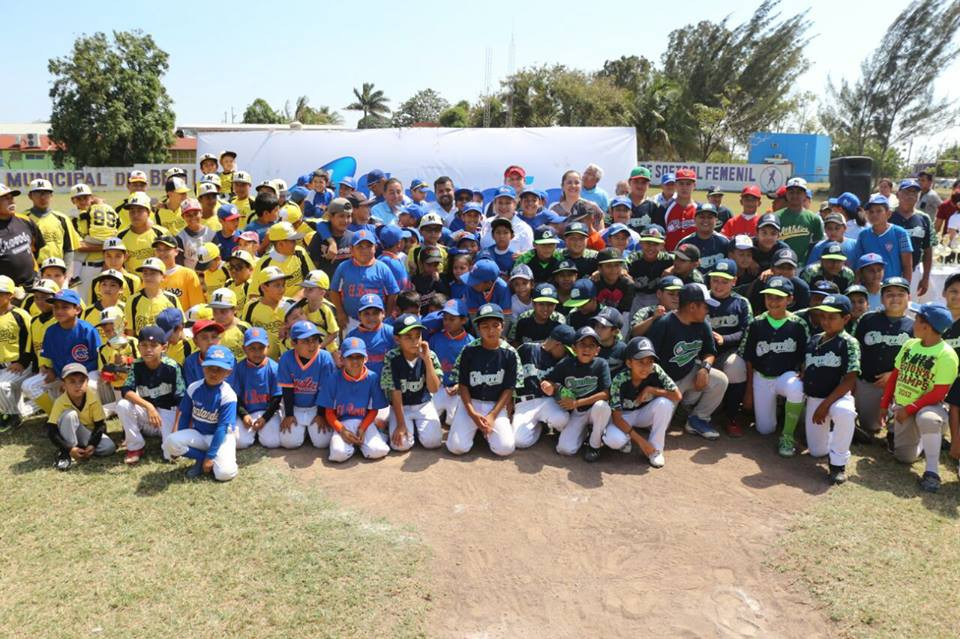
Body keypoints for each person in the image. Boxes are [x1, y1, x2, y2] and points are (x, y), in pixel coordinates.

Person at [881, 303, 959, 493]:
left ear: (927, 326)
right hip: (904, 405)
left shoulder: (946, 354)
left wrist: (909, 409)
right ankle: (926, 441)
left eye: (916, 319)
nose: (913, 322)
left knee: (928, 419)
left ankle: (932, 472)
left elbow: (938, 393)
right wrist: (884, 404)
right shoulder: (910, 344)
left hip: (930, 406)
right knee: (904, 458)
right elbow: (895, 375)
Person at [647, 283, 729, 440]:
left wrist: (705, 369)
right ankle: (675, 411)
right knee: (654, 426)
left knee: (720, 380)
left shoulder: (703, 324)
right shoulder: (664, 323)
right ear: (692, 307)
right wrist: (657, 389)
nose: (708, 310)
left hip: (688, 372)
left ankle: (697, 419)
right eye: (705, 306)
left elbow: (709, 352)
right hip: (663, 381)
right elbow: (647, 360)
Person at [739, 276, 809, 455]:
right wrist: (749, 391)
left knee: (797, 387)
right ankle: (777, 412)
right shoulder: (756, 323)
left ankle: (787, 436)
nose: (773, 301)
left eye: (779, 297)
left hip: (786, 376)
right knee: (765, 429)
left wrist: (803, 370)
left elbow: (806, 354)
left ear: (790, 299)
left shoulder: (799, 324)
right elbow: (749, 358)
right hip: (762, 377)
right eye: (769, 296)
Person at [798, 294, 860, 484]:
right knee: (817, 452)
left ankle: (838, 464)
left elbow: (850, 380)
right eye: (823, 316)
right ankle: (840, 433)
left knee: (845, 413)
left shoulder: (848, 342)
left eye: (832, 317)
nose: (826, 321)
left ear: (846, 318)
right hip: (815, 398)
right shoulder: (815, 339)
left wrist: (825, 406)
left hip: (838, 397)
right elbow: (807, 365)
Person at [446, 303, 519, 456]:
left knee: (505, 448)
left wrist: (492, 416)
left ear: (502, 326)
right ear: (478, 328)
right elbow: (463, 385)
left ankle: (482, 430)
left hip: (495, 405)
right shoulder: (469, 350)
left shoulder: (510, 353)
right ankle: (476, 428)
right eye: (485, 326)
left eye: (495, 325)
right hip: (471, 403)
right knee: (456, 447)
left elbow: (509, 388)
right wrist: (472, 413)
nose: (490, 331)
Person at [601, 336, 682, 468]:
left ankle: (656, 450)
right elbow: (616, 418)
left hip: (643, 413)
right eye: (640, 362)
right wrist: (642, 442)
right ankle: (627, 439)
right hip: (623, 416)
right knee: (613, 440)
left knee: (665, 403)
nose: (646, 367)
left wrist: (652, 390)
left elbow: (677, 395)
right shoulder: (619, 379)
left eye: (649, 361)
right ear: (629, 363)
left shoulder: (655, 369)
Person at [164, 345, 238, 481]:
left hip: (221, 437)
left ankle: (212, 457)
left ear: (228, 372)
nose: (213, 373)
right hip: (199, 434)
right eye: (210, 367)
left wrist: (211, 455)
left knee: (224, 474)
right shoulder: (194, 388)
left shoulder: (228, 395)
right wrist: (180, 438)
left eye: (219, 369)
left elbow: (222, 429)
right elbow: (185, 415)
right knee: (170, 441)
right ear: (203, 367)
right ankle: (201, 458)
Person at [23, 289, 102, 414]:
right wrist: (49, 369)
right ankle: (56, 415)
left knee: (90, 386)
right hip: (61, 375)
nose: (59, 311)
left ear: (77, 309)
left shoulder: (87, 330)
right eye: (56, 307)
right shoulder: (51, 331)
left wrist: (73, 379)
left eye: (65, 307)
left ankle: (91, 413)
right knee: (29, 385)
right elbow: (49, 356)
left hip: (86, 374)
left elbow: (97, 359)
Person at [541, 326, 612, 461]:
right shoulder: (566, 364)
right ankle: (584, 432)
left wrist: (577, 403)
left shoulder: (601, 364)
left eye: (591, 346)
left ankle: (594, 445)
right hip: (577, 412)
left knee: (602, 406)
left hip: (594, 410)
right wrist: (549, 385)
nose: (586, 349)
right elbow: (549, 380)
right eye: (582, 345)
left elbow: (606, 393)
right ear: (574, 348)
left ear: (597, 350)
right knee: (565, 449)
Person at [853, 277, 913, 437]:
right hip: (869, 382)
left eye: (900, 294)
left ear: (909, 298)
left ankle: (894, 430)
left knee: (898, 425)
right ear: (881, 299)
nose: (895, 298)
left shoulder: (915, 326)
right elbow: (856, 350)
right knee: (870, 426)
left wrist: (894, 375)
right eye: (890, 294)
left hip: (899, 386)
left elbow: (916, 362)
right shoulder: (867, 319)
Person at [116, 325, 185, 464]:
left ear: (164, 347)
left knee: (171, 455)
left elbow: (182, 400)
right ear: (138, 347)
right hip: (148, 414)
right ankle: (135, 446)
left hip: (168, 413)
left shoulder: (172, 367)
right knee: (123, 405)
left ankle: (168, 437)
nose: (148, 349)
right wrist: (149, 406)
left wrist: (176, 429)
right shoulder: (137, 365)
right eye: (144, 345)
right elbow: (126, 390)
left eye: (153, 345)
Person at [319, 336, 391, 463]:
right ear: (342, 359)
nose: (355, 361)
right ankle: (354, 446)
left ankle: (372, 439)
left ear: (366, 358)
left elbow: (373, 410)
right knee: (338, 454)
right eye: (350, 357)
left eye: (359, 357)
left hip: (365, 422)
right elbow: (329, 413)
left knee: (378, 451)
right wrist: (342, 431)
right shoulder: (333, 379)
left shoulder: (372, 378)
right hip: (342, 423)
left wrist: (363, 428)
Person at [381, 314, 444, 452]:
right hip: (401, 406)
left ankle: (415, 428)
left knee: (433, 442)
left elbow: (434, 389)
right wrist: (401, 424)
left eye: (417, 336)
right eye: (408, 337)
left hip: (423, 404)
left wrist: (427, 360)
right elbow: (395, 393)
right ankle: (406, 426)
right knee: (401, 445)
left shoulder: (430, 354)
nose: (414, 341)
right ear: (397, 339)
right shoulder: (392, 357)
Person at [706, 259, 752, 436]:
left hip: (727, 351)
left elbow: (747, 331)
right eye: (715, 280)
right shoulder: (702, 298)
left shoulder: (741, 302)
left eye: (724, 281)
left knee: (736, 366)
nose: (718, 285)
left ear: (734, 281)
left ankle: (731, 416)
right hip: (701, 352)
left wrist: (724, 339)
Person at [512, 324, 577, 449]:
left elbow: (564, 388)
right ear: (557, 344)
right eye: (565, 350)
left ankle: (545, 422)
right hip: (524, 403)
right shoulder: (526, 349)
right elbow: (511, 375)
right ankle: (539, 427)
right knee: (520, 442)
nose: (566, 354)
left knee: (562, 420)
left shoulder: (564, 361)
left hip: (547, 401)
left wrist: (555, 387)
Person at [277, 320, 336, 449]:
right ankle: (304, 431)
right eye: (305, 341)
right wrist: (289, 415)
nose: (312, 345)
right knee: (289, 443)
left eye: (315, 340)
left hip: (316, 406)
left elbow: (325, 391)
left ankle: (308, 430)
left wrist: (321, 414)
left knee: (322, 443)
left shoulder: (325, 358)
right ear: (293, 343)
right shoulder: (286, 359)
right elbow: (287, 390)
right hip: (296, 406)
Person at [47, 363, 115, 471]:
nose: (78, 385)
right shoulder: (60, 402)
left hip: (86, 433)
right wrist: (69, 448)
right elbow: (51, 430)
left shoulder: (93, 398)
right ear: (64, 384)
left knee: (109, 447)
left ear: (87, 382)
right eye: (72, 381)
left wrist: (92, 444)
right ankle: (66, 453)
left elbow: (100, 425)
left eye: (81, 381)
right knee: (70, 415)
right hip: (67, 435)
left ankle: (82, 449)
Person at [329, 229, 400, 333]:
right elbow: (334, 290)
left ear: (375, 248)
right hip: (351, 320)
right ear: (351, 249)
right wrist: (340, 312)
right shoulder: (343, 267)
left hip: (377, 320)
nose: (365, 250)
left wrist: (387, 315)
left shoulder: (382, 268)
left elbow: (393, 293)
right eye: (360, 247)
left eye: (369, 246)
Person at [229, 327, 282, 449]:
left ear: (268, 347)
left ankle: (260, 433)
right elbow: (235, 396)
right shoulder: (239, 368)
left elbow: (277, 398)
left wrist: (264, 418)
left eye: (261, 348)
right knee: (239, 443)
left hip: (268, 412)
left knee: (273, 442)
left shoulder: (274, 367)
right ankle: (255, 433)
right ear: (244, 349)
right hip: (247, 411)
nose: (257, 352)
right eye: (252, 348)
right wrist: (244, 415)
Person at [428, 298, 472, 426]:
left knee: (452, 421)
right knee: (429, 418)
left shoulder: (471, 342)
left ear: (463, 320)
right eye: (445, 319)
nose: (447, 322)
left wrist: (460, 385)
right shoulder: (436, 338)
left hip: (459, 388)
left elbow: (472, 370)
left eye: (452, 319)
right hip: (438, 387)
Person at [889, 179, 935, 297]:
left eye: (915, 192)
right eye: (906, 192)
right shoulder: (888, 215)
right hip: (889, 270)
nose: (911, 195)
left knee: (909, 304)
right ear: (898, 195)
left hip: (914, 271)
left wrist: (925, 277)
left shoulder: (924, 218)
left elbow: (928, 250)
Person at [0, 275, 33, 431]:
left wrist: (22, 362)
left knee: (2, 386)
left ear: (11, 295)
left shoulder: (20, 314)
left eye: (1, 293)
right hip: (1, 364)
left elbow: (30, 340)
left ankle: (12, 416)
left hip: (18, 363)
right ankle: (15, 411)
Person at [853, 195, 912, 280]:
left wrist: (906, 285)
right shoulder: (863, 235)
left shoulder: (900, 233)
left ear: (888, 213)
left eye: (879, 211)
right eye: (871, 212)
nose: (874, 215)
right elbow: (859, 264)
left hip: (893, 284)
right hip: (869, 284)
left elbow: (907, 265)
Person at [25, 178, 78, 270]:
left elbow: (69, 249)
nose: (42, 197)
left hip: (58, 268)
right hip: (32, 269)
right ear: (30, 196)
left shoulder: (62, 218)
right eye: (37, 193)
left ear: (51, 195)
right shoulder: (23, 219)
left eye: (46, 193)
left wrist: (66, 271)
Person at [252, 222, 315, 297]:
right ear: (280, 244)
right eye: (292, 241)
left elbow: (313, 280)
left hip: (302, 300)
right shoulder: (263, 264)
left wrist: (295, 299)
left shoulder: (300, 252)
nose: (296, 243)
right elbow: (254, 295)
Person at [0, 183, 45, 286]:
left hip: (33, 284)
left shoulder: (25, 220)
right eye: (5, 198)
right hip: (6, 290)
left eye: (12, 197)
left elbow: (36, 249)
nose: (11, 201)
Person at [124, 257, 182, 336]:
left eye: (153, 273)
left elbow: (179, 328)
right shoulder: (133, 300)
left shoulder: (172, 298)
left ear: (163, 277)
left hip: (166, 342)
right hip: (141, 343)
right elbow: (130, 331)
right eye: (145, 273)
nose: (148, 277)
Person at [774, 177, 823, 264]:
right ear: (786, 194)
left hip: (803, 265)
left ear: (805, 195)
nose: (795, 195)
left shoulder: (813, 218)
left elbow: (818, 245)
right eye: (791, 192)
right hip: (780, 264)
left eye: (799, 192)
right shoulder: (776, 217)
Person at [119, 192, 168, 273]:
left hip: (157, 279)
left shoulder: (162, 233)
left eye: (140, 210)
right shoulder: (120, 236)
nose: (135, 215)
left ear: (148, 212)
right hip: (131, 280)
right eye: (132, 211)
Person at [153, 235, 205, 311]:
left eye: (167, 249)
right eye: (159, 249)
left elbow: (197, 308)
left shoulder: (188, 274)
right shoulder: (149, 276)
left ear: (176, 252)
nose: (162, 253)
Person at [677, 204, 731, 274]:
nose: (706, 220)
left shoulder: (724, 242)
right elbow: (676, 266)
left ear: (716, 220)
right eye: (702, 217)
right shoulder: (685, 243)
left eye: (710, 217)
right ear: (695, 219)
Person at [480, 186, 534, 254]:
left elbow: (530, 255)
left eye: (508, 203)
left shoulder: (524, 229)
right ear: (494, 204)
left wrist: (522, 256)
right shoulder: (487, 223)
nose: (503, 207)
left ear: (515, 204)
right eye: (500, 203)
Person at [661, 168, 698, 250]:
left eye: (688, 184)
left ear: (694, 186)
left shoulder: (699, 209)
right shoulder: (664, 209)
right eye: (681, 183)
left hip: (693, 255)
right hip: (670, 255)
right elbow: (659, 235)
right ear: (675, 185)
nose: (684, 187)